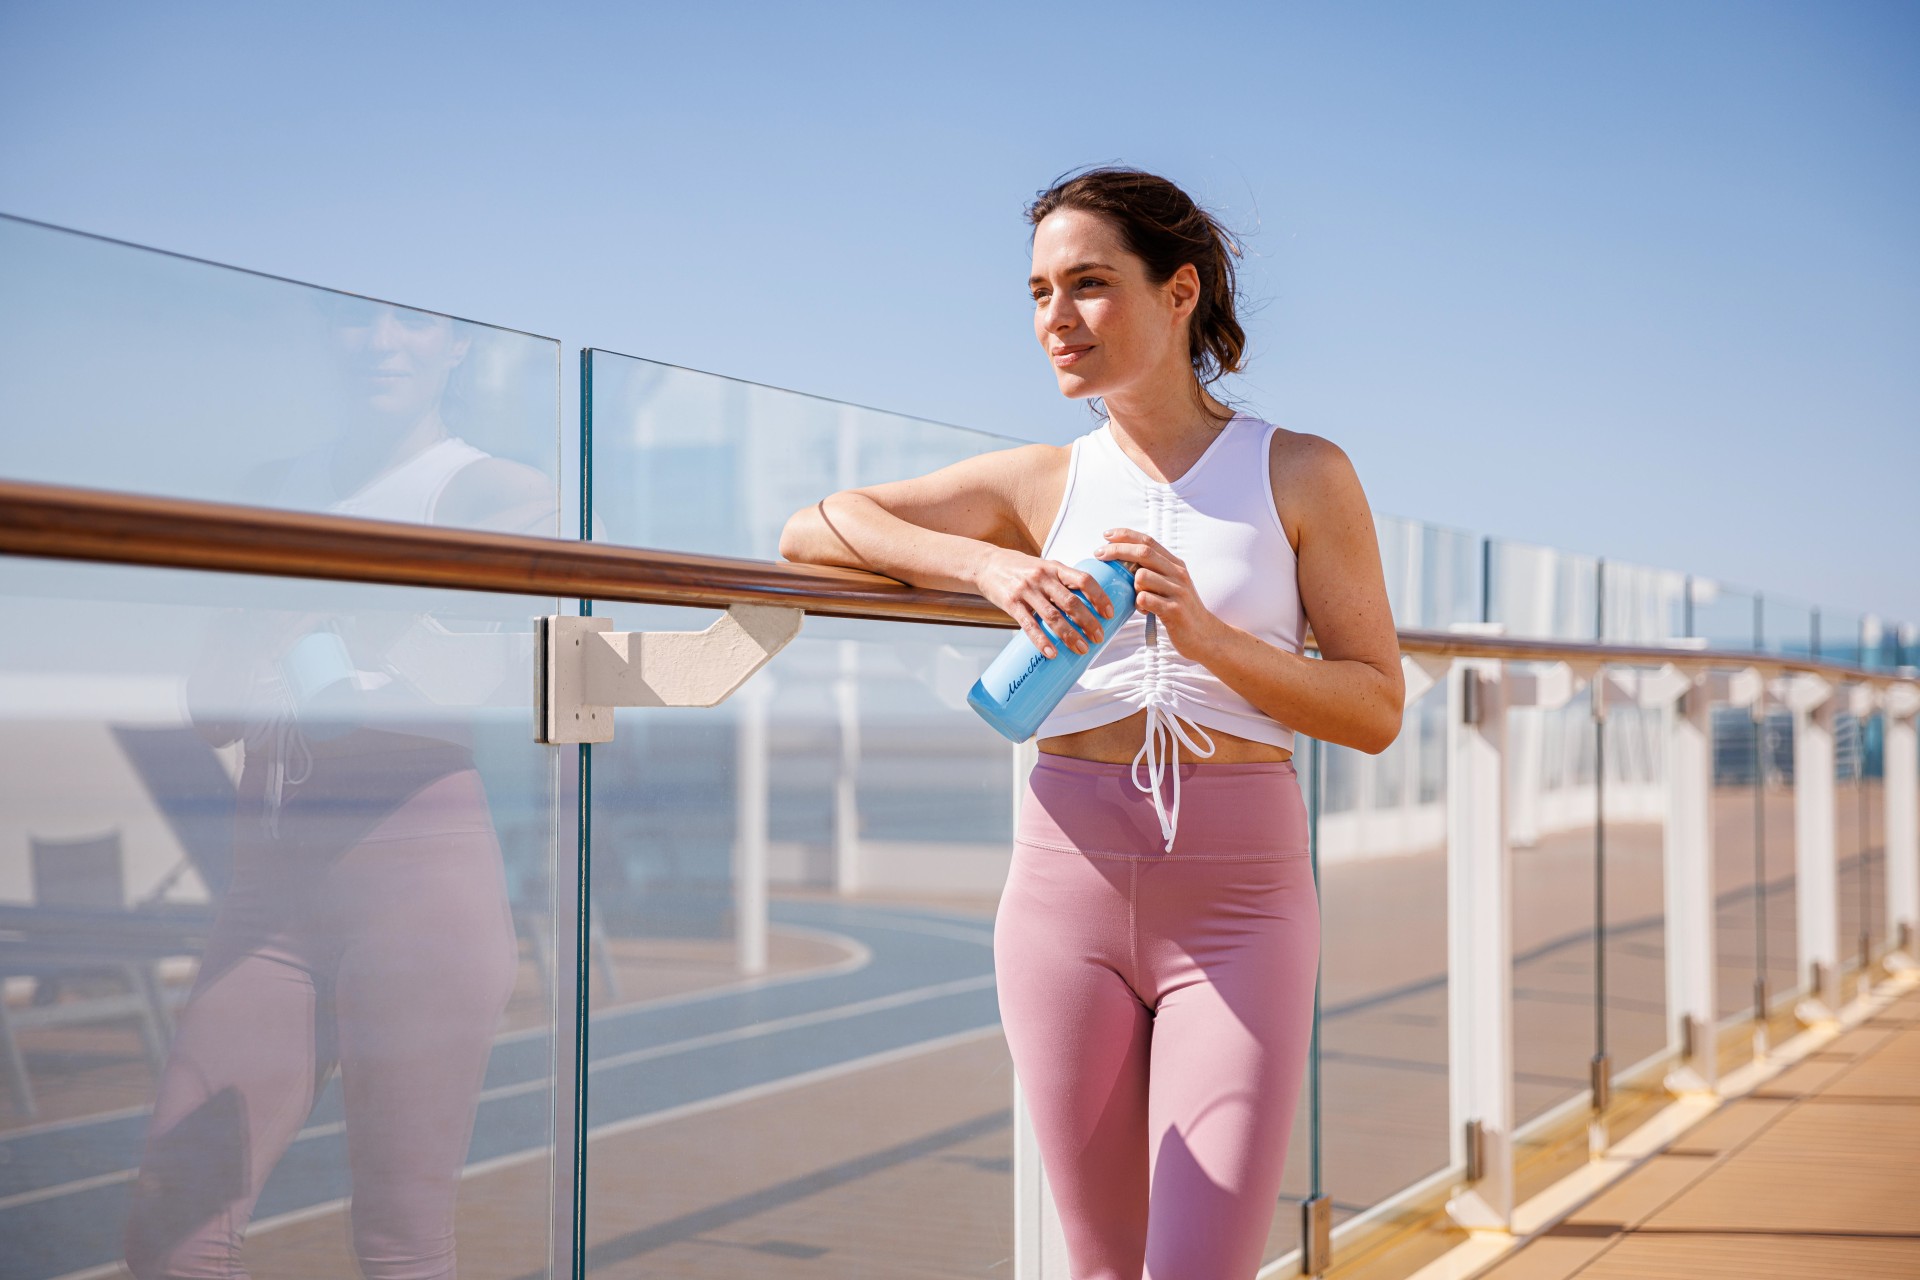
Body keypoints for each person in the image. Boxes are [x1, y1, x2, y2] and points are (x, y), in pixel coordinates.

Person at [780, 166, 1403, 1278]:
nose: (1055, 319)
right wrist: (986, 565)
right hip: (1061, 881)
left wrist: (1211, 639)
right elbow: (816, 526)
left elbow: (1375, 705)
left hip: (1240, 897)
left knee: (1198, 1263)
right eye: (1036, 292)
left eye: (1088, 284)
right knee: (1103, 1263)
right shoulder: (1038, 479)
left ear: (1179, 293)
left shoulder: (1302, 470)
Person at [123, 299, 555, 1280]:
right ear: (326, 335)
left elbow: (491, 671)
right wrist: (354, 638)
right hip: (268, 891)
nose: (381, 342)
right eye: (356, 321)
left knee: (400, 1242)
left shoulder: (495, 487)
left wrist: (307, 624)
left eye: (412, 322)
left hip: (418, 885)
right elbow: (209, 699)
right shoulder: (272, 486)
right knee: (171, 1228)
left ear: (457, 345)